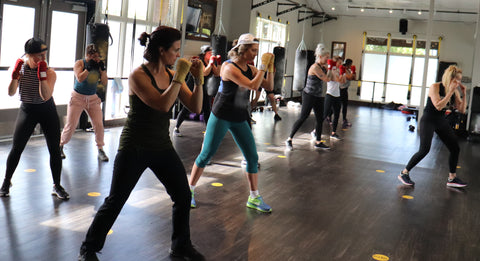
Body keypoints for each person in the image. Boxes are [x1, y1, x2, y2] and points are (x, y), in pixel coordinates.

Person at [78, 26, 205, 261]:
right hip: (134, 147)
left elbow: (196, 107)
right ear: (161, 50)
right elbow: (162, 104)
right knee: (116, 200)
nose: (178, 55)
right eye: (175, 50)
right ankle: (88, 248)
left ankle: (180, 245)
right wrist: (179, 76)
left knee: (183, 195)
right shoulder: (138, 75)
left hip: (161, 146)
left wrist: (198, 80)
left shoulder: (169, 75)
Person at [188, 33, 274, 212]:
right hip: (222, 115)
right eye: (253, 50)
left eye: (258, 51)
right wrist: (263, 67)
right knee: (206, 155)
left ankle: (254, 197)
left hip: (239, 117)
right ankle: (189, 191)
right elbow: (252, 85)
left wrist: (270, 68)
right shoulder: (228, 67)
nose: (256, 54)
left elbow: (268, 86)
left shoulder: (250, 68)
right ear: (243, 50)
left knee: (252, 157)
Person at [0, 38, 69, 199]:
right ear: (29, 55)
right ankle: (6, 181)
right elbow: (11, 92)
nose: (44, 59)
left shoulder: (49, 72)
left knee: (54, 149)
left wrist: (42, 76)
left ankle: (57, 185)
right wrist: (15, 76)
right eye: (40, 55)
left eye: (45, 54)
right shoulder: (21, 69)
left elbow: (45, 96)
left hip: (47, 110)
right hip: (28, 109)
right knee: (17, 148)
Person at [398, 65, 467, 188]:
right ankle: (404, 173)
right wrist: (450, 92)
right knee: (424, 149)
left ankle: (452, 178)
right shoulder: (435, 87)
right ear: (449, 79)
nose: (458, 83)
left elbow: (462, 110)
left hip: (440, 121)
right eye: (456, 80)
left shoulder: (455, 91)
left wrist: (464, 94)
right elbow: (438, 106)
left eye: (460, 80)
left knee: (455, 148)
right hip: (428, 120)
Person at [60, 44, 109, 161]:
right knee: (71, 125)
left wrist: (103, 71)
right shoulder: (80, 63)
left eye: (98, 56)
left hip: (92, 99)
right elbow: (80, 78)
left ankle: (100, 149)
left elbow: (104, 82)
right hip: (77, 98)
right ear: (88, 55)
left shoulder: (97, 65)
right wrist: (88, 69)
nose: (97, 59)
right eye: (94, 56)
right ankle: (60, 146)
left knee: (98, 124)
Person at [285, 43, 330, 151]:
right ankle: (289, 139)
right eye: (326, 57)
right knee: (303, 117)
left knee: (320, 118)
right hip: (309, 95)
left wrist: (329, 69)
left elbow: (328, 76)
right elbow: (327, 79)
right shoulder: (315, 67)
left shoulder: (322, 67)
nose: (327, 59)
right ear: (320, 56)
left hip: (318, 96)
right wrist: (331, 69)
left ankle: (318, 141)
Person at [173, 45, 221, 137]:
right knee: (186, 108)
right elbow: (203, 73)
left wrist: (218, 63)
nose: (211, 54)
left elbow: (217, 73)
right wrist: (211, 63)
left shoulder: (209, 63)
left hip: (202, 87)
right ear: (204, 54)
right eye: (209, 53)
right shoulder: (200, 62)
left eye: (212, 53)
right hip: (192, 86)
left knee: (207, 108)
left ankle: (209, 130)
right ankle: (176, 127)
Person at [323, 56, 346, 140]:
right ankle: (315, 131)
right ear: (335, 62)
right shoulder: (332, 71)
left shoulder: (337, 71)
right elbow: (338, 80)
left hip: (337, 95)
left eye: (341, 63)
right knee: (325, 114)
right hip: (330, 95)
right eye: (339, 63)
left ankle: (333, 133)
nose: (340, 65)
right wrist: (341, 74)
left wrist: (343, 73)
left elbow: (343, 82)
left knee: (336, 115)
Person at [339, 58, 355, 128]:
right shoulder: (343, 69)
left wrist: (353, 72)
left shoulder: (348, 70)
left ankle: (344, 119)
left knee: (345, 105)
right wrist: (352, 72)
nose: (351, 65)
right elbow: (349, 78)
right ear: (348, 64)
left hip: (345, 89)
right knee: (338, 105)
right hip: (341, 89)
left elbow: (354, 77)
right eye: (351, 64)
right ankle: (328, 116)